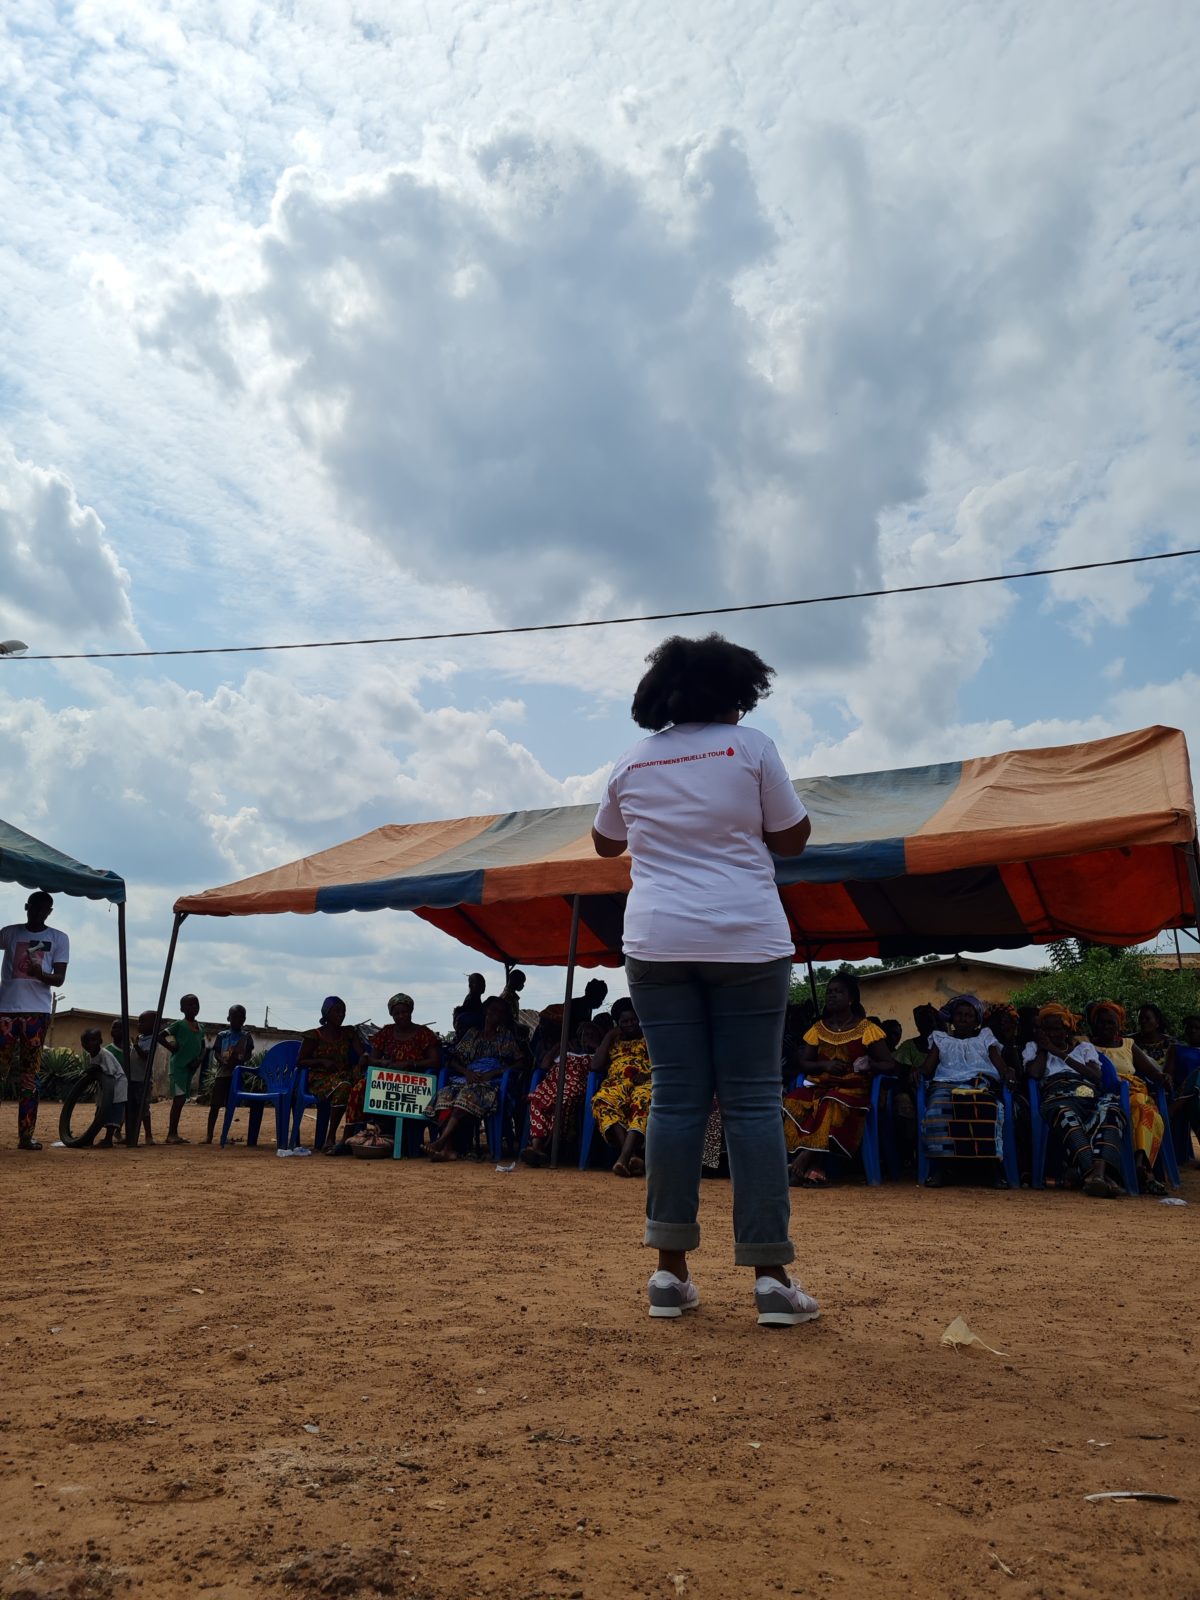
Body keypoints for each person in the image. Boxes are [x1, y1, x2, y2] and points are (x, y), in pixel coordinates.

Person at [591, 631, 817, 1327]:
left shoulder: (631, 762)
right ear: (737, 695)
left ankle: (669, 1275)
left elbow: (606, 842)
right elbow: (792, 837)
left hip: (657, 941)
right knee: (751, 1102)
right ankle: (772, 1281)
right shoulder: (750, 749)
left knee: (675, 1100)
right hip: (747, 938)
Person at [783, 974, 893, 1187]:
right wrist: (824, 1066)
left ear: (851, 998)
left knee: (831, 1103)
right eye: (829, 992)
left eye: (838, 991)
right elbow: (804, 1064)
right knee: (793, 1101)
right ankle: (814, 1168)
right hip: (821, 1086)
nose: (832, 995)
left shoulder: (867, 1029)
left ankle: (804, 1159)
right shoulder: (818, 1029)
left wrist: (870, 1063)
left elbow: (890, 1064)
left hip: (853, 1090)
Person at [1024, 1003, 1126, 1197]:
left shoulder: (1084, 1048)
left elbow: (1096, 1076)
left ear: (1067, 1029)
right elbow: (1034, 1073)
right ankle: (1097, 1176)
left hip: (1089, 1095)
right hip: (1057, 1097)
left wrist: (1058, 1052)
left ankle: (1096, 1174)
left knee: (1112, 1112)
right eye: (1047, 1029)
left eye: (1057, 1028)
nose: (1052, 1033)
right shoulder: (1035, 1049)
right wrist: (1044, 1049)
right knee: (1066, 1115)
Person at [918, 995, 1014, 1187]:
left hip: (978, 1085)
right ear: (952, 1019)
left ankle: (992, 1168)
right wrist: (916, 1071)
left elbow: (1001, 1067)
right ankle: (941, 1168)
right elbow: (927, 1069)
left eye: (969, 1015)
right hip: (945, 1085)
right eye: (959, 1015)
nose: (963, 1018)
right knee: (938, 1108)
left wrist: (1008, 1072)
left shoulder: (985, 1037)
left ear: (977, 1020)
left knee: (987, 1107)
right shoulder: (940, 1038)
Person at [0, 890, 69, 1149]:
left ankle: (26, 1136)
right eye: (34, 908)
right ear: (26, 907)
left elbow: (59, 979)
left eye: (44, 910)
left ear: (49, 912)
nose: (38, 913)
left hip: (37, 1013)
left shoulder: (59, 938)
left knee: (29, 1076)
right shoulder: (10, 933)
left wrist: (41, 974)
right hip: (5, 1010)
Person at [1083, 999, 1170, 1193]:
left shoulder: (1128, 1045)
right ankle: (1145, 1172)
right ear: (1094, 1023)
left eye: (1111, 1022)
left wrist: (1163, 1078)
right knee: (1140, 1108)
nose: (1106, 1026)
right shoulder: (1085, 1043)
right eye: (1101, 1022)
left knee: (1146, 1111)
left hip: (1134, 1093)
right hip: (1103, 1096)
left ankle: (1140, 1164)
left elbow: (1153, 1072)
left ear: (1119, 1024)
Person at [426, 994, 522, 1162]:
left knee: (467, 1095)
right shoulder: (472, 1034)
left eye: (501, 1012)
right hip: (468, 1077)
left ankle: (441, 1142)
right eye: (493, 1010)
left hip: (492, 1083)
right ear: (485, 1011)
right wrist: (466, 1072)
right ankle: (448, 1148)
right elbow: (453, 1059)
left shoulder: (506, 1036)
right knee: (445, 1094)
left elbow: (520, 1062)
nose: (496, 1015)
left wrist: (495, 1073)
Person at [350, 993, 440, 1132]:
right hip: (386, 1080)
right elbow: (372, 1059)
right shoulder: (386, 1032)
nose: (401, 1016)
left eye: (404, 1012)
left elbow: (435, 1061)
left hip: (414, 1083)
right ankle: (351, 1132)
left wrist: (411, 1064)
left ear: (411, 1011)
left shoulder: (424, 1033)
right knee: (360, 1087)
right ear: (391, 1014)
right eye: (396, 1013)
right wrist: (382, 1063)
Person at [521, 1012, 601, 1166]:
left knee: (561, 1101)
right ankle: (536, 1147)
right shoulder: (567, 1049)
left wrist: (596, 1046)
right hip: (553, 1082)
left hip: (575, 1085)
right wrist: (560, 1046)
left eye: (592, 1034)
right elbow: (544, 1066)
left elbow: (599, 1068)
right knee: (537, 1098)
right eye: (584, 1034)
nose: (587, 1037)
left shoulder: (597, 1054)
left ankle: (548, 1147)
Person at [589, 999, 653, 1177]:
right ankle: (630, 1157)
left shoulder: (649, 1038)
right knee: (602, 1100)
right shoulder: (614, 1041)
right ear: (619, 1024)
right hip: (616, 1084)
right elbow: (595, 1066)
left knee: (641, 1101)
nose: (630, 1024)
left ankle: (623, 1158)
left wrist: (647, 1076)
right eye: (625, 1021)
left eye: (633, 1020)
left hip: (644, 1082)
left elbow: (663, 1065)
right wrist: (609, 1036)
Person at [296, 997, 363, 1154]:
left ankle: (353, 1137)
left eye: (343, 1012)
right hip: (320, 1078)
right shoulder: (314, 1036)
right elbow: (300, 1062)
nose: (341, 1015)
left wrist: (363, 1058)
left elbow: (361, 1052)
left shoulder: (349, 1033)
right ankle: (330, 1138)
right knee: (344, 1087)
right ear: (326, 1013)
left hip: (344, 1074)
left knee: (361, 1086)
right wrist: (322, 1061)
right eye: (337, 1011)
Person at [206, 1005, 255, 1143]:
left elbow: (248, 1054)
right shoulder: (222, 1035)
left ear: (244, 1020)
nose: (238, 1020)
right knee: (215, 1105)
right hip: (222, 1074)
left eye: (241, 1018)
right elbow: (216, 1052)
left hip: (236, 1075)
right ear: (228, 1018)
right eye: (235, 1017)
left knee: (230, 1105)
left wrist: (240, 1059)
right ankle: (209, 1135)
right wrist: (223, 1060)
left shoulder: (246, 1037)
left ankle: (224, 1134)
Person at [164, 993, 207, 1144]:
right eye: (190, 1005)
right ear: (182, 1008)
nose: (194, 1007)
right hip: (178, 1068)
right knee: (179, 1099)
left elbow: (203, 1047)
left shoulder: (200, 1027)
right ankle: (171, 1134)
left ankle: (174, 1133)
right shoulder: (178, 1025)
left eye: (196, 1004)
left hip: (190, 1068)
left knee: (181, 1100)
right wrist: (172, 1048)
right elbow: (160, 1036)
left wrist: (199, 1060)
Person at [126, 1011, 170, 1145]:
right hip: (132, 1079)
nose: (139, 1024)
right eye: (139, 1021)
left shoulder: (151, 1040)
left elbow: (146, 1056)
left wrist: (136, 1046)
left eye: (142, 1022)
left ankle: (148, 1136)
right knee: (131, 1108)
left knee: (143, 1108)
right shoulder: (140, 1037)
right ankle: (130, 1135)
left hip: (142, 1080)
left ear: (154, 1025)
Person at [81, 1025, 126, 1148]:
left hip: (117, 1085)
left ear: (100, 1042)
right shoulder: (93, 1055)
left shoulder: (104, 1054)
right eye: (85, 1041)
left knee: (112, 1112)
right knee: (99, 1112)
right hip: (105, 1088)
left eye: (93, 1040)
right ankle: (89, 1138)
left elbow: (110, 1072)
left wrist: (96, 1069)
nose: (89, 1043)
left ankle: (108, 1139)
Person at [1166, 1014, 1200, 1163]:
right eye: (1189, 1027)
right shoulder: (1177, 1049)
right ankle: (1182, 1099)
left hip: (1195, 1093)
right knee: (1193, 1100)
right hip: (1179, 1091)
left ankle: (1175, 1106)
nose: (1192, 1031)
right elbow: (1168, 1074)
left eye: (1197, 1028)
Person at [453, 973, 487, 1039]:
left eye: (483, 983)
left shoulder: (474, 998)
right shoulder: (472, 999)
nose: (482, 985)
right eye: (478, 983)